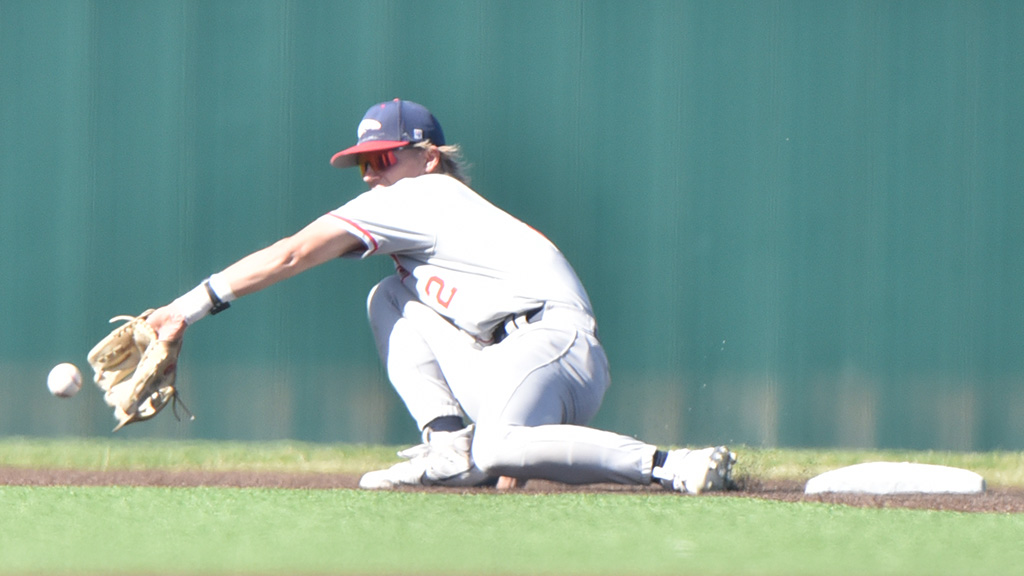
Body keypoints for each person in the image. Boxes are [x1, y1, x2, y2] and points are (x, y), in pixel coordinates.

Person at [147, 98, 736, 494]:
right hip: (511, 359)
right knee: (390, 297)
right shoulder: (428, 227)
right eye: (361, 165)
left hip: (551, 346)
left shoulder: (422, 195)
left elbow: (292, 254)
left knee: (503, 447)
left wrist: (185, 308)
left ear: (427, 157)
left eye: (382, 158)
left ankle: (669, 464)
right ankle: (451, 448)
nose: (370, 175)